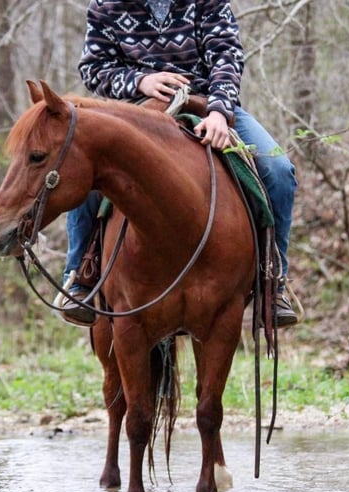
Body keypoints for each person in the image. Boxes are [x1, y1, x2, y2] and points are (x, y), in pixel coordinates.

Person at [60, 0, 298, 328]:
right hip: (135, 111)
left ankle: (273, 281)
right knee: (84, 166)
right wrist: (139, 81)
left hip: (207, 103)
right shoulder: (107, 5)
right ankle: (81, 277)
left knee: (279, 171)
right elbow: (93, 69)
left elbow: (227, 55)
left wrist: (219, 111)